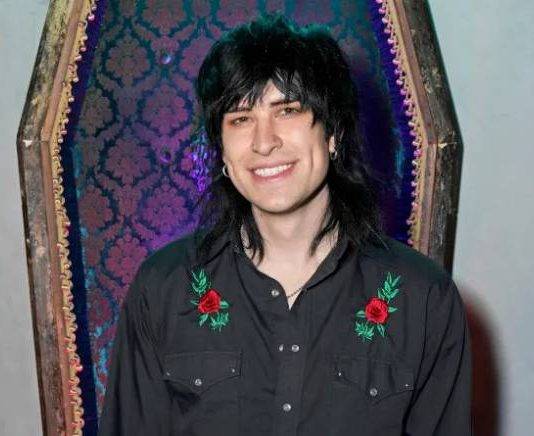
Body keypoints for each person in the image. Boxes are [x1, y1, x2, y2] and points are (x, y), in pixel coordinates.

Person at [99, 15, 472, 436]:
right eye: (240, 118)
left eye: (288, 111)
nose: (264, 142)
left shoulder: (423, 297)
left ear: (332, 134)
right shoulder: (163, 288)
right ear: (222, 151)